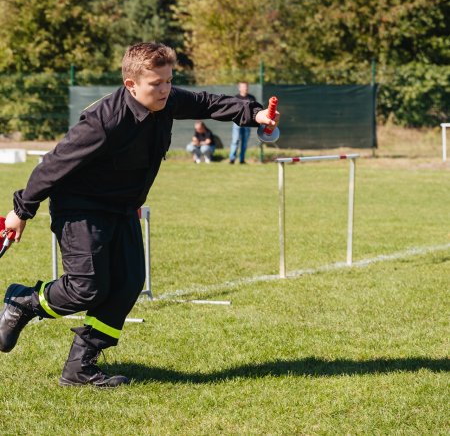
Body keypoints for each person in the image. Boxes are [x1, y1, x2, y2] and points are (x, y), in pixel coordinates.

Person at [0, 42, 279, 388]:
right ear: (132, 85)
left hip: (121, 208)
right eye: (156, 83)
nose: (165, 89)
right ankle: (21, 301)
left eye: (168, 81)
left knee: (129, 282)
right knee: (85, 289)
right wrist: (20, 211)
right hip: (81, 208)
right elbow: (54, 164)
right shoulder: (104, 121)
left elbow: (208, 102)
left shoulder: (168, 99)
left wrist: (254, 114)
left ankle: (80, 369)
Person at [229, 81, 257, 164]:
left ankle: (242, 160)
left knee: (244, 142)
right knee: (235, 140)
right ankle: (232, 159)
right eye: (243, 87)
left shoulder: (252, 98)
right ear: (239, 88)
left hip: (247, 123)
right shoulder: (235, 98)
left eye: (246, 87)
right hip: (237, 123)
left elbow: (254, 110)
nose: (245, 88)